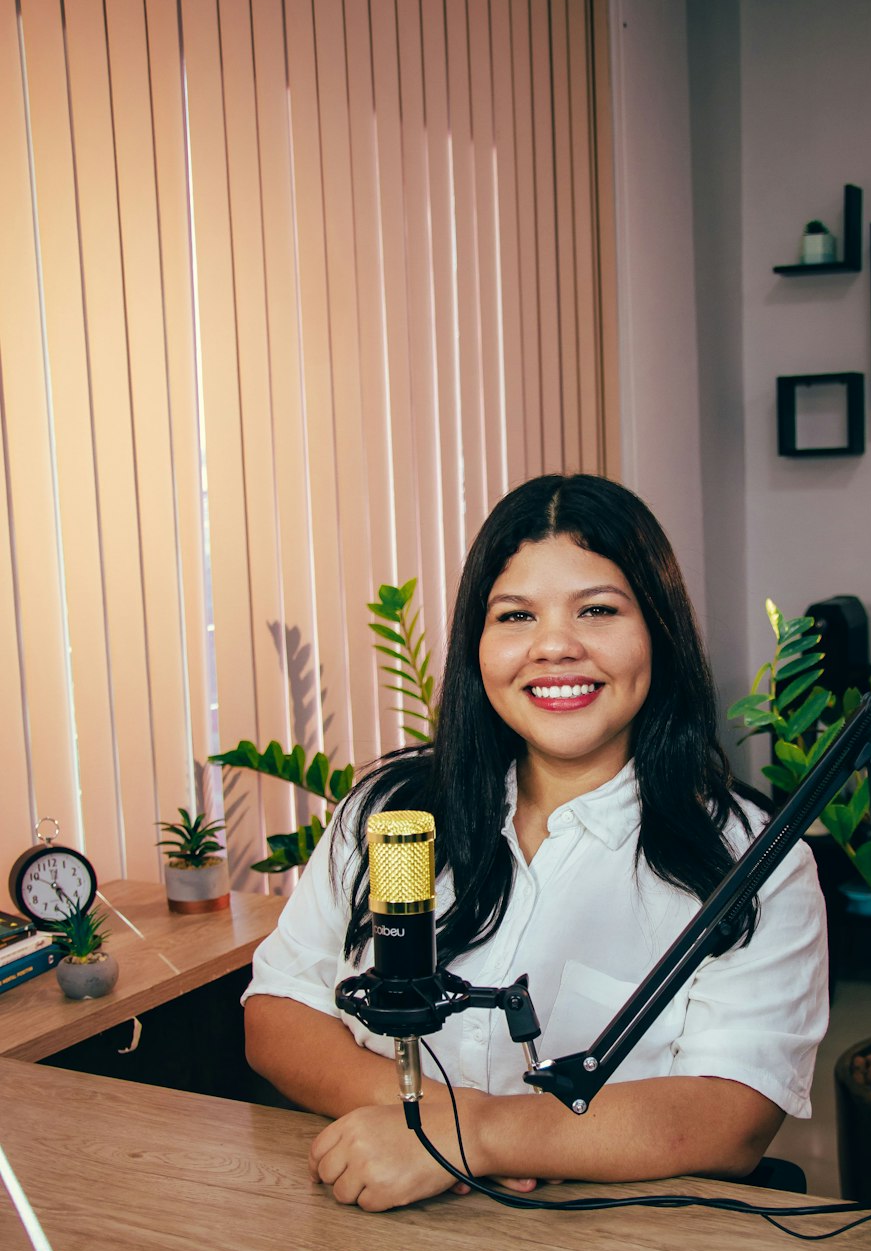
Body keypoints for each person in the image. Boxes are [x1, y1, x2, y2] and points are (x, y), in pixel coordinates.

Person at [243, 473, 828, 1212]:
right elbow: (278, 1014)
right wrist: (439, 1131)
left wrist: (471, 1137)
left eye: (598, 610)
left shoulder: (753, 863)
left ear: (660, 630)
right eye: (516, 616)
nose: (554, 647)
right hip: (381, 1224)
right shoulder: (390, 815)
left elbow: (731, 1115)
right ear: (477, 643)